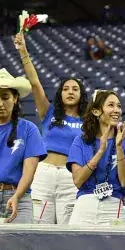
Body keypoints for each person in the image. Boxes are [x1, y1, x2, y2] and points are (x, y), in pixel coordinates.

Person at [14, 33, 88, 224]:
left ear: (82, 94)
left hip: (71, 176)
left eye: (75, 89)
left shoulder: (88, 121)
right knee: (39, 228)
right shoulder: (49, 112)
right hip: (43, 174)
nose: (70, 92)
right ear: (60, 94)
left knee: (68, 230)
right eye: (65, 89)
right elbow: (35, 83)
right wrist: (23, 51)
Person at [67, 90, 125, 225]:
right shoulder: (80, 141)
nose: (116, 110)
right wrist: (100, 151)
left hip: (114, 205)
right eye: (111, 105)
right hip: (85, 204)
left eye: (119, 106)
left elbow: (124, 181)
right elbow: (77, 181)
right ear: (96, 111)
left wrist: (118, 148)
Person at [0, 68, 47, 223]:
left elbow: (28, 173)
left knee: (21, 247)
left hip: (19, 197)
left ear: (15, 99)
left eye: (5, 97)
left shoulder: (29, 129)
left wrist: (16, 196)